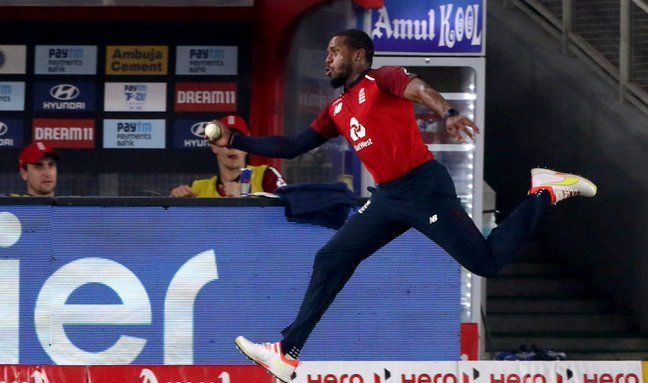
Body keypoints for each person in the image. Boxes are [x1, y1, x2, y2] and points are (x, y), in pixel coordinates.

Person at [212, 29, 596, 382]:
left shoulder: (382, 78)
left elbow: (419, 89)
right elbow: (294, 146)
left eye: (334, 51)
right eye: (326, 53)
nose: (327, 59)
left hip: (424, 188)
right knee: (331, 258)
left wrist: (447, 112)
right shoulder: (337, 109)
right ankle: (288, 351)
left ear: (359, 55)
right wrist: (237, 141)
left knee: (486, 262)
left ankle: (543, 190)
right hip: (389, 198)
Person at [169, 115, 286, 198]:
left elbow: (286, 215)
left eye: (238, 141)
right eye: (226, 141)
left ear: (247, 148)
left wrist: (245, 202)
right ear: (214, 147)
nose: (232, 147)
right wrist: (174, 204)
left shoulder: (266, 176)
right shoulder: (198, 189)